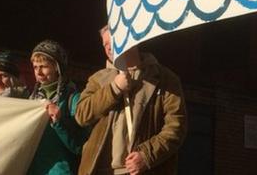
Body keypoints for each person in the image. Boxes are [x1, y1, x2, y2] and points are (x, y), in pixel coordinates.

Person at [75, 25, 187, 175]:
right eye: (105, 44)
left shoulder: (165, 79)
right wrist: (114, 88)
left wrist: (146, 155)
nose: (108, 48)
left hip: (142, 170)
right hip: (101, 170)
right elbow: (81, 115)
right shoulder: (98, 79)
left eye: (112, 42)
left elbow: (176, 127)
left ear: (130, 40)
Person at [27, 39, 87, 175]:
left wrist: (59, 122)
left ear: (57, 67)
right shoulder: (31, 99)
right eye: (35, 67)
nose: (39, 72)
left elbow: (80, 146)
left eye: (43, 66)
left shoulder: (74, 99)